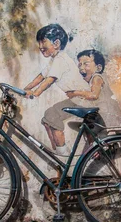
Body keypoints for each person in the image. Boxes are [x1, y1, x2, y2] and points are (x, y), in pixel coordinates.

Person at [23, 24, 89, 156]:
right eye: (39, 42)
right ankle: (57, 150)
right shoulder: (54, 59)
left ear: (56, 43)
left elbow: (49, 80)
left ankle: (63, 154)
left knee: (52, 117)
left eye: (43, 41)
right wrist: (25, 88)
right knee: (48, 116)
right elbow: (41, 76)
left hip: (82, 99)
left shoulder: (61, 59)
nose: (40, 46)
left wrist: (35, 94)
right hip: (76, 99)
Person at [66, 49, 121, 128]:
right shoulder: (89, 81)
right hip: (103, 113)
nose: (81, 67)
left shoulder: (97, 77)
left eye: (86, 64)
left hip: (108, 113)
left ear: (98, 68)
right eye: (80, 64)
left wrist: (75, 93)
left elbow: (94, 95)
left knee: (91, 130)